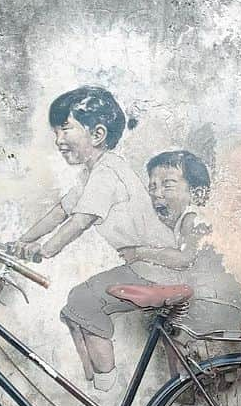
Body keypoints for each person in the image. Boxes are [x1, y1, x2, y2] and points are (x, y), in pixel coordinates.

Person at [11, 86, 177, 389]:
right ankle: (97, 386)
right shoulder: (92, 174)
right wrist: (19, 241)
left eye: (65, 129)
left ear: (97, 134)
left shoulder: (108, 173)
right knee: (75, 308)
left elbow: (80, 221)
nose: (59, 140)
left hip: (157, 267)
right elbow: (60, 212)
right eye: (55, 132)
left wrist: (44, 251)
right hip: (141, 266)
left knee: (84, 302)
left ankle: (107, 393)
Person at [119, 150, 241, 335]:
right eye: (152, 187)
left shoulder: (193, 218)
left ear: (197, 193)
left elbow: (184, 258)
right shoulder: (177, 224)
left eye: (167, 185)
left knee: (180, 340)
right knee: (173, 340)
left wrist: (139, 252)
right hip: (199, 299)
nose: (157, 193)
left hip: (211, 301)